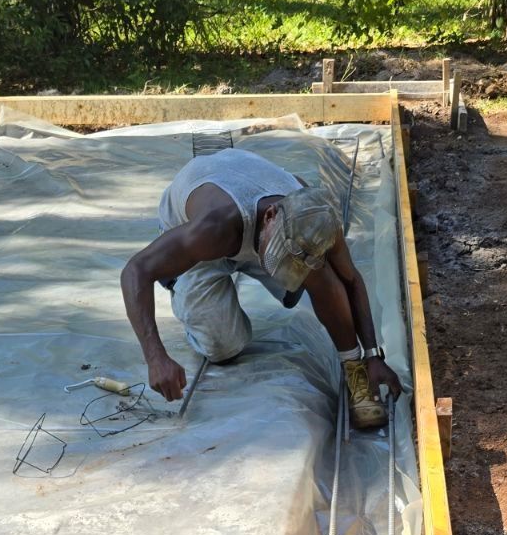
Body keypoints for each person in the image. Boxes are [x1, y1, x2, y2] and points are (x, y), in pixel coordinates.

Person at [121, 147, 402, 432]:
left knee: (321, 276)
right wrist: (155, 357)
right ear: (269, 216)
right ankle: (185, 288)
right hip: (200, 236)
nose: (285, 270)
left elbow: (350, 280)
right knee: (224, 348)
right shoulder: (212, 227)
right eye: (279, 260)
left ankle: (352, 371)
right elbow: (135, 271)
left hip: (251, 206)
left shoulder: (317, 219)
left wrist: (371, 356)